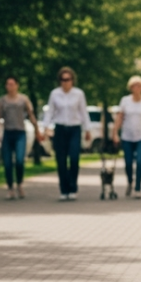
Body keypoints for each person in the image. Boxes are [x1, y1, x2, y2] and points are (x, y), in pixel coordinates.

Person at [44, 67, 90, 201]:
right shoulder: (55, 94)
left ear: (72, 80)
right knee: (61, 160)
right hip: (60, 129)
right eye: (63, 80)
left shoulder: (78, 94)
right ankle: (64, 189)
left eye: (68, 80)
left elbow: (83, 112)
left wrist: (88, 130)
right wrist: (45, 128)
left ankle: (73, 187)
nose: (65, 82)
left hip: (75, 128)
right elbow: (50, 112)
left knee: (74, 158)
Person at [112, 75, 141, 199]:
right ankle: (130, 181)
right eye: (134, 86)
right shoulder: (125, 101)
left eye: (139, 85)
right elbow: (120, 117)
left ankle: (138, 188)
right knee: (127, 162)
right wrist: (115, 132)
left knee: (139, 162)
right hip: (127, 135)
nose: (136, 88)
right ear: (130, 87)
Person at [0, 77, 40, 200]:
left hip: (20, 133)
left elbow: (31, 115)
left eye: (12, 84)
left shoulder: (23, 99)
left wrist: (37, 129)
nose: (9, 86)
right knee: (7, 163)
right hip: (7, 133)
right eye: (7, 84)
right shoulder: (2, 100)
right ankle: (10, 188)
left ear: (17, 85)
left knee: (20, 160)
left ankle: (19, 184)